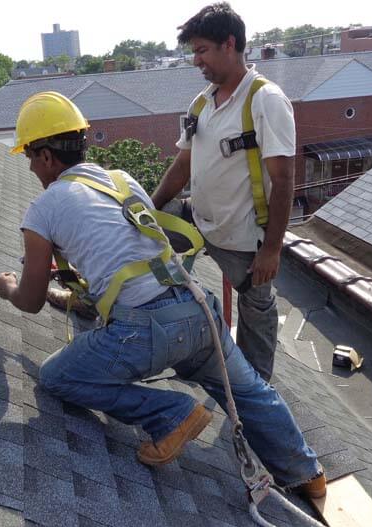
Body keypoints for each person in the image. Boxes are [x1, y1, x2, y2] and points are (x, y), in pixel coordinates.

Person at [0, 91, 325, 497]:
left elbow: (28, 301)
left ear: (46, 156)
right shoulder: (122, 180)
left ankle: (171, 414)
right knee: (249, 391)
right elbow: (124, 256)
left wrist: (8, 285)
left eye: (29, 156)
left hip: (144, 330)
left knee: (55, 376)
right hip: (197, 310)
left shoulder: (44, 207)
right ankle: (306, 472)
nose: (30, 167)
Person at [152, 3, 295, 382]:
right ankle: (153, 328)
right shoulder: (202, 103)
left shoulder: (265, 101)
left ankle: (255, 395)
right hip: (198, 221)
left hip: (243, 240)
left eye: (202, 51)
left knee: (257, 311)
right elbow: (182, 166)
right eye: (194, 52)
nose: (196, 61)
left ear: (229, 44)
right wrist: (149, 211)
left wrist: (272, 250)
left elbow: (282, 181)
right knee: (144, 241)